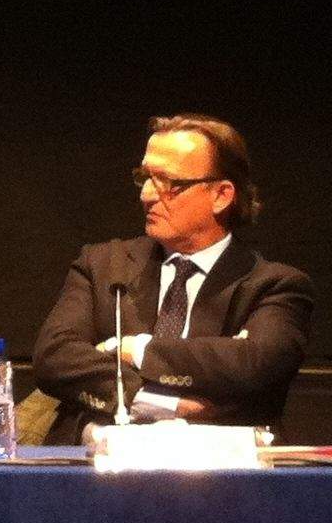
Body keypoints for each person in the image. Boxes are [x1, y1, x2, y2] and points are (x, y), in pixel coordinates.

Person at [32, 113, 312, 442]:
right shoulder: (103, 264)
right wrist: (165, 403)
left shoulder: (273, 286)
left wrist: (136, 350)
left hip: (220, 476)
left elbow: (254, 364)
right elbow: (55, 357)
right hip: (97, 468)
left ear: (221, 195)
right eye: (144, 178)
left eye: (168, 183)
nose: (146, 195)